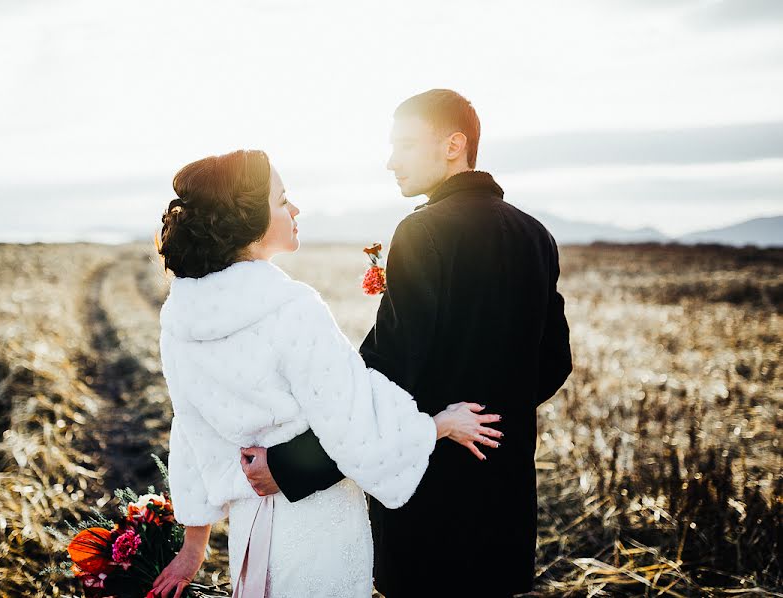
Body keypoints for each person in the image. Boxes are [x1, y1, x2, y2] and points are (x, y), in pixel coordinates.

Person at [240, 89, 573, 597]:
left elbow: (384, 376)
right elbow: (554, 362)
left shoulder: (423, 231)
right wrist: (495, 409)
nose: (391, 161)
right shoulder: (536, 234)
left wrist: (291, 466)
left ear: (453, 145)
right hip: (505, 497)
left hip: (429, 502)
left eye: (406, 145)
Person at [150, 149, 505, 598]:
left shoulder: (179, 318)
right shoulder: (292, 308)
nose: (295, 209)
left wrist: (193, 546)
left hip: (251, 523)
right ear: (246, 219)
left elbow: (190, 433)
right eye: (282, 200)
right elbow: (355, 424)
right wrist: (439, 425)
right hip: (321, 524)